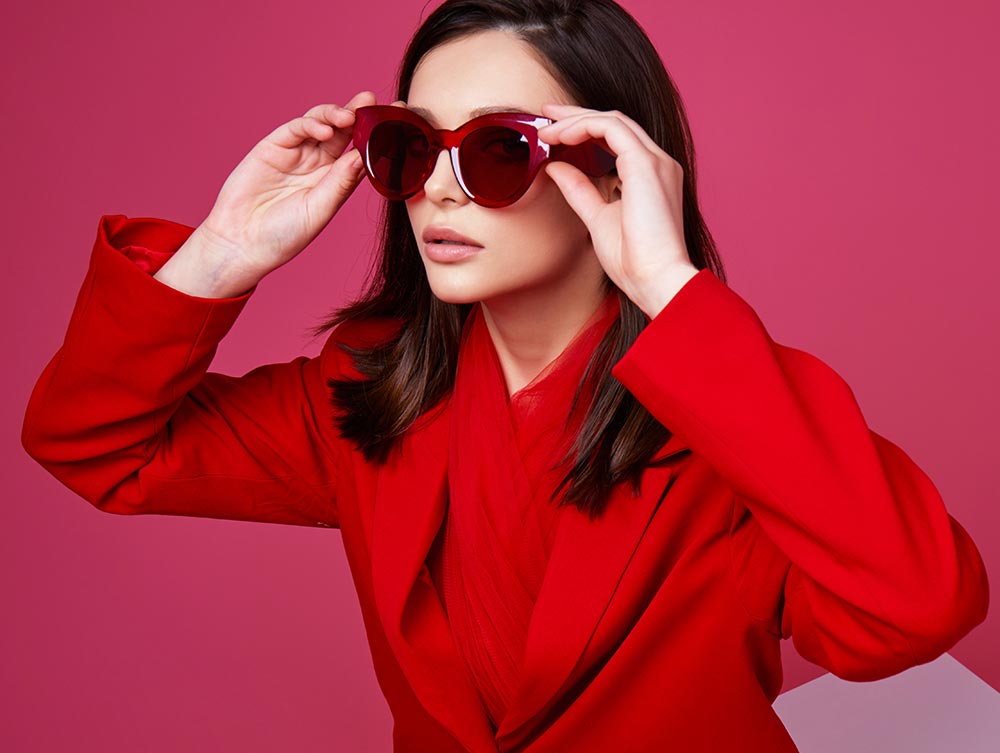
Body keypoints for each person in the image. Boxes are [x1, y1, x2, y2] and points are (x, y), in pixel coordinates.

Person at [20, 0, 990, 751]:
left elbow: (912, 612)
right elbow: (96, 447)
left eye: (494, 149)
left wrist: (666, 285)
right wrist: (224, 252)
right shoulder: (359, 400)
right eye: (407, 145)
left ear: (609, 170)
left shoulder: (743, 427)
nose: (437, 186)